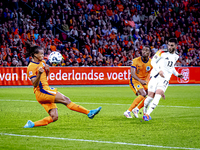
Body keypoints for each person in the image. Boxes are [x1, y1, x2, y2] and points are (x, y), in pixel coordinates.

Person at [23, 42, 102, 128]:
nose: (43, 55)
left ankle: (32, 124)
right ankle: (88, 112)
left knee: (54, 117)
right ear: (35, 54)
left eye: (43, 53)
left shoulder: (42, 62)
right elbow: (34, 83)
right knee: (66, 100)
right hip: (42, 91)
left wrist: (47, 71)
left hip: (45, 90)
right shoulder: (31, 67)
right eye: (41, 53)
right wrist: (39, 73)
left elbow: (44, 77)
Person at [143, 38, 184, 121]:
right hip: (155, 76)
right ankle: (144, 111)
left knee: (158, 96)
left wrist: (177, 74)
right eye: (168, 45)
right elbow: (153, 62)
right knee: (150, 97)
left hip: (164, 79)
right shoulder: (161, 52)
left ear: (176, 46)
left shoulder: (176, 56)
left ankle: (147, 115)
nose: (169, 47)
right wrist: (159, 70)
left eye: (171, 45)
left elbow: (171, 67)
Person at [124, 46, 152, 118]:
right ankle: (128, 112)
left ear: (149, 53)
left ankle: (137, 109)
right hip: (135, 80)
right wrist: (140, 81)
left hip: (144, 81)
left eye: (146, 50)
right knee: (143, 93)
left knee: (151, 95)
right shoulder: (135, 60)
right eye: (143, 50)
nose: (144, 52)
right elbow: (132, 74)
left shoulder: (151, 62)